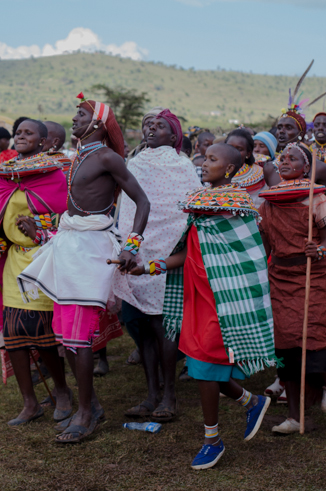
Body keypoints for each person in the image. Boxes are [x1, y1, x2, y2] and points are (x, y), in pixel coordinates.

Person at [133, 143, 275, 469]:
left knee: (205, 365)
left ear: (229, 169)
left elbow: (246, 257)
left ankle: (212, 440)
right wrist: (149, 267)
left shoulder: (236, 207)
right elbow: (188, 252)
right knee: (203, 365)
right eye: (205, 158)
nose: (204, 163)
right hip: (195, 296)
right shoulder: (201, 205)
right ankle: (251, 402)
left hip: (223, 299)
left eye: (212, 159)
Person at [18, 94, 150, 443]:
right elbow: (72, 209)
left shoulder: (107, 157)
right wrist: (42, 228)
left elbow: (142, 201)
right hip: (69, 247)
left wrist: (132, 246)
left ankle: (86, 415)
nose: (74, 118)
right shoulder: (78, 156)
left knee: (79, 337)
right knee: (68, 339)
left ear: (98, 123)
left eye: (81, 114)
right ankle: (91, 406)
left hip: (92, 250)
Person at [0, 119, 74, 425]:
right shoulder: (6, 176)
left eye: (28, 133)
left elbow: (66, 224)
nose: (20, 136)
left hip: (44, 262)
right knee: (14, 335)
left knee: (43, 334)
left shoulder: (54, 175)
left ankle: (62, 392)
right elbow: (4, 227)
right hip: (14, 264)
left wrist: (39, 231)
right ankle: (29, 403)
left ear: (43, 141)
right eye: (18, 132)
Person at [113, 109, 200, 423]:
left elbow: (186, 210)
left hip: (167, 253)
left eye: (160, 125)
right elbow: (128, 210)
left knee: (164, 327)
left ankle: (169, 395)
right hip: (137, 251)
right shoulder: (134, 163)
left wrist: (166, 248)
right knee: (141, 326)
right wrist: (131, 245)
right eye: (148, 124)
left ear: (174, 135)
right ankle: (151, 393)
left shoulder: (183, 165)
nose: (151, 128)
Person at [258, 143, 326, 434]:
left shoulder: (317, 197)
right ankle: (294, 417)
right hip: (279, 277)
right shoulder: (268, 202)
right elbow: (265, 247)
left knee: (312, 336)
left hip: (311, 276)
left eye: (293, 158)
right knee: (285, 344)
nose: (285, 161)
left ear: (306, 168)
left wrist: (318, 250)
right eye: (282, 158)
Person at [226, 129, 267, 207]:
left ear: (248, 153)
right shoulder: (214, 172)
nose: (233, 152)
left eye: (239, 149)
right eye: (229, 147)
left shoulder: (261, 175)